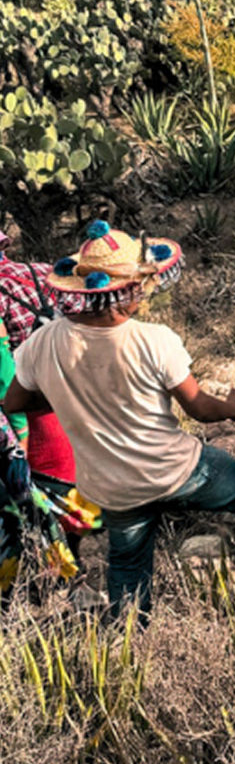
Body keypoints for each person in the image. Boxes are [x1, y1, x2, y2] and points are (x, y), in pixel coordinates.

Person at [3, 221, 235, 617]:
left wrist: (68, 396)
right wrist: (233, 407)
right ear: (128, 293)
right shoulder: (153, 340)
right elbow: (200, 410)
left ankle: (126, 639)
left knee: (127, 564)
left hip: (112, 486)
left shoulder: (45, 342)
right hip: (175, 469)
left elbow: (14, 401)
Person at [0, 230, 101, 594]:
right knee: (72, 496)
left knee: (35, 502)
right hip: (78, 399)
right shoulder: (45, 273)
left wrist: (17, 437)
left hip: (32, 414)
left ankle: (54, 588)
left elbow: (3, 376)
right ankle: (70, 577)